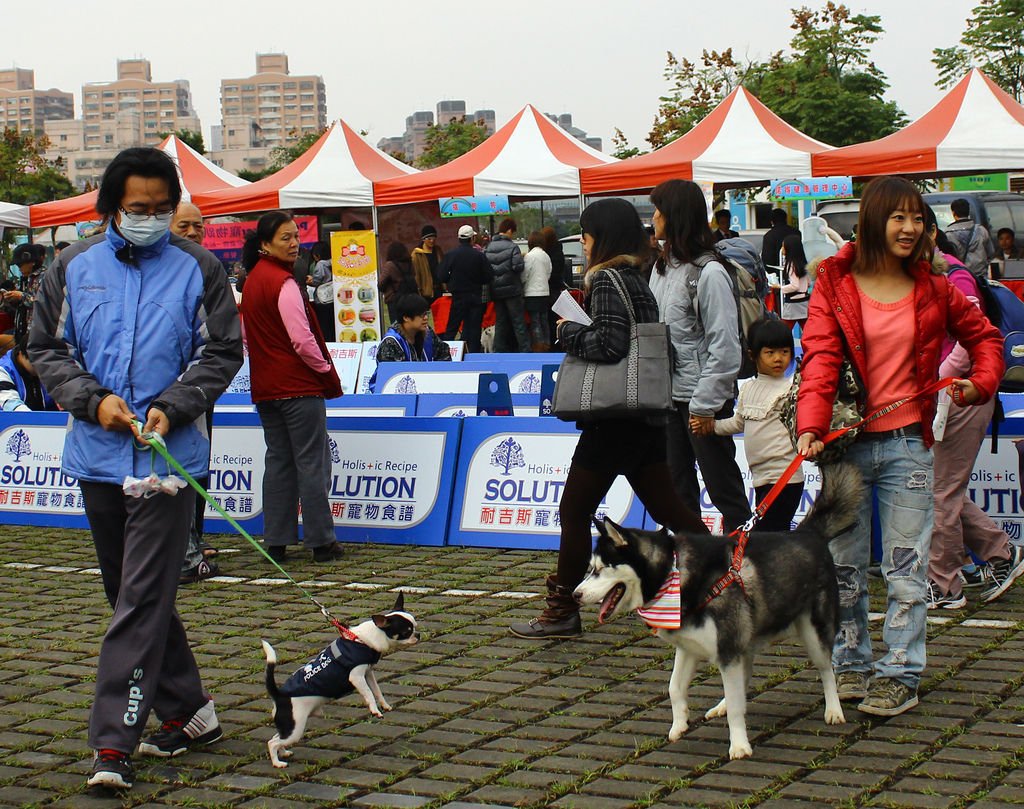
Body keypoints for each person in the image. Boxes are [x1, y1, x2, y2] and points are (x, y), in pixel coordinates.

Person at [28, 146, 243, 789]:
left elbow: (221, 353)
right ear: (110, 207)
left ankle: (113, 742)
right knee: (129, 594)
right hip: (97, 457)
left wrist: (172, 406)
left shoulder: (199, 269)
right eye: (136, 208)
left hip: (169, 463)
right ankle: (189, 709)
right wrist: (92, 401)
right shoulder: (71, 267)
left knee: (143, 597)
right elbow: (46, 348)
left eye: (159, 208)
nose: (148, 218)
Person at [796, 176, 1003, 718]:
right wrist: (811, 425)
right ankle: (851, 665)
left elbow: (985, 338)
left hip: (910, 444)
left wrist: (979, 383)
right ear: (872, 221)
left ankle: (900, 673)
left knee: (906, 567)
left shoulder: (936, 287)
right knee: (843, 568)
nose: (911, 228)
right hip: (844, 449)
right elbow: (818, 360)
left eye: (918, 218)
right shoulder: (834, 282)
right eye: (899, 217)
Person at [509, 198, 709, 640]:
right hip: (642, 413)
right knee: (669, 507)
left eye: (586, 234)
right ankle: (727, 572)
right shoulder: (639, 276)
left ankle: (561, 608)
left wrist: (567, 331)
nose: (582, 242)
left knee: (574, 511)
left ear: (603, 237)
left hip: (614, 419)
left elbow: (610, 344)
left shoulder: (606, 278)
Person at [926, 212, 1024, 609]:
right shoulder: (921, 276)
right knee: (941, 488)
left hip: (961, 395)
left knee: (940, 491)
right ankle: (1001, 554)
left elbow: (972, 339)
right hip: (942, 395)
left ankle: (945, 584)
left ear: (931, 231)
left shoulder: (955, 275)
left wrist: (938, 383)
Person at [239, 211, 345, 566]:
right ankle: (321, 542)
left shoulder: (252, 280)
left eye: (295, 236)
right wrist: (326, 369)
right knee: (311, 463)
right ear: (265, 244)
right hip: (298, 387)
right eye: (285, 238)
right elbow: (302, 340)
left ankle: (277, 541)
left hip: (267, 387)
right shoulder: (283, 283)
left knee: (279, 462)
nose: (294, 243)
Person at [649, 179, 752, 531]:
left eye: (659, 209)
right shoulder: (662, 268)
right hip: (668, 398)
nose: (654, 216)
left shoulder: (709, 273)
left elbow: (725, 347)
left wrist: (705, 404)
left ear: (674, 215)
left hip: (700, 401)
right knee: (677, 488)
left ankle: (743, 559)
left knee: (723, 488)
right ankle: (691, 558)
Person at [169, 202, 221, 583]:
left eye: (198, 226)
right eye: (183, 225)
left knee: (199, 467)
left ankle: (195, 537)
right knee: (175, 471)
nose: (192, 232)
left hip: (201, 387)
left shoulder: (208, 268)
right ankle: (178, 544)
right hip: (165, 393)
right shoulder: (161, 270)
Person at [713, 318, 802, 531]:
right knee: (770, 537)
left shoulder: (791, 391)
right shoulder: (748, 388)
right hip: (761, 479)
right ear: (753, 355)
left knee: (769, 536)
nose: (778, 358)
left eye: (784, 352)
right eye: (770, 353)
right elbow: (738, 423)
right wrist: (712, 427)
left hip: (785, 479)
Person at [438, 225, 492, 353]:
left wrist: (451, 281)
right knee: (474, 329)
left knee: (452, 327)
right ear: (472, 238)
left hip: (458, 297)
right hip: (475, 297)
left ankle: (446, 354)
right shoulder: (479, 256)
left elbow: (441, 275)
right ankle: (473, 356)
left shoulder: (451, 255)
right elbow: (489, 276)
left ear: (459, 238)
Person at [373, 293, 453, 371]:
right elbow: (390, 374)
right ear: (406, 317)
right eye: (421, 315)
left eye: (426, 314)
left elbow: (443, 353)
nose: (425, 318)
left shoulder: (427, 333)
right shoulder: (391, 342)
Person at [486, 217, 529, 352]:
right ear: (509, 230)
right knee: (518, 323)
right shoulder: (512, 247)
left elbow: (486, 268)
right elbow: (518, 267)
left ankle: (498, 350)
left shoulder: (488, 247)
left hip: (496, 291)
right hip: (512, 291)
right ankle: (525, 350)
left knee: (500, 322)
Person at [0, 334, 55, 411]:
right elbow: (10, 404)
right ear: (21, 354)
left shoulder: (51, 368)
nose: (42, 370)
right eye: (37, 365)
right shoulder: (3, 371)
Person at [945, 198, 995, 277]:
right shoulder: (981, 230)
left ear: (953, 213)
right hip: (981, 279)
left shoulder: (947, 235)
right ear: (968, 212)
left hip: (960, 278)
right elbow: (991, 254)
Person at [523, 231, 553, 351]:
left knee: (535, 321)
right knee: (544, 320)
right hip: (545, 292)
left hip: (532, 293)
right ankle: (547, 343)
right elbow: (549, 273)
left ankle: (538, 346)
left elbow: (524, 274)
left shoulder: (529, 256)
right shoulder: (546, 256)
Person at [378, 241, 419, 324]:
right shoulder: (410, 264)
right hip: (410, 298)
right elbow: (414, 276)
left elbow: (381, 284)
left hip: (394, 299)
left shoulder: (390, 265)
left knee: (397, 325)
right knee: (409, 324)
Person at [779, 233, 810, 326]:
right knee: (807, 331)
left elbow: (794, 286)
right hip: (805, 301)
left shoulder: (791, 264)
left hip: (793, 302)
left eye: (783, 246)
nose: (782, 249)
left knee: (784, 330)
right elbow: (808, 283)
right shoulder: (802, 262)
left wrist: (780, 288)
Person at [411, 225, 443, 301]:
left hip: (439, 290)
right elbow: (416, 275)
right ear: (423, 239)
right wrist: (418, 292)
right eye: (429, 239)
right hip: (426, 293)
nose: (432, 241)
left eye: (434, 238)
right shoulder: (417, 254)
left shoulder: (438, 251)